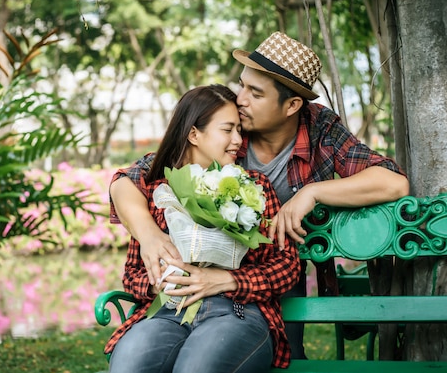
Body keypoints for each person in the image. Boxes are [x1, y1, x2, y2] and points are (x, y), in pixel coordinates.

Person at [109, 32, 410, 360]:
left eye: (255, 93)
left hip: (275, 268)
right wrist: (150, 235)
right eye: (242, 86)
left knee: (278, 354)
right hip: (204, 279)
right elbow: (129, 180)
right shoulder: (229, 130)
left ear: (292, 105)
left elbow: (392, 182)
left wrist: (313, 192)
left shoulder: (319, 128)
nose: (241, 100)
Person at [106, 84, 300, 373]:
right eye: (228, 130)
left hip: (235, 311)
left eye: (239, 130)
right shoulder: (159, 191)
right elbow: (133, 275)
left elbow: (287, 265)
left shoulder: (254, 187)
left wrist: (228, 280)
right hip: (166, 312)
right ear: (194, 133)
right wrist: (160, 282)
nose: (238, 140)